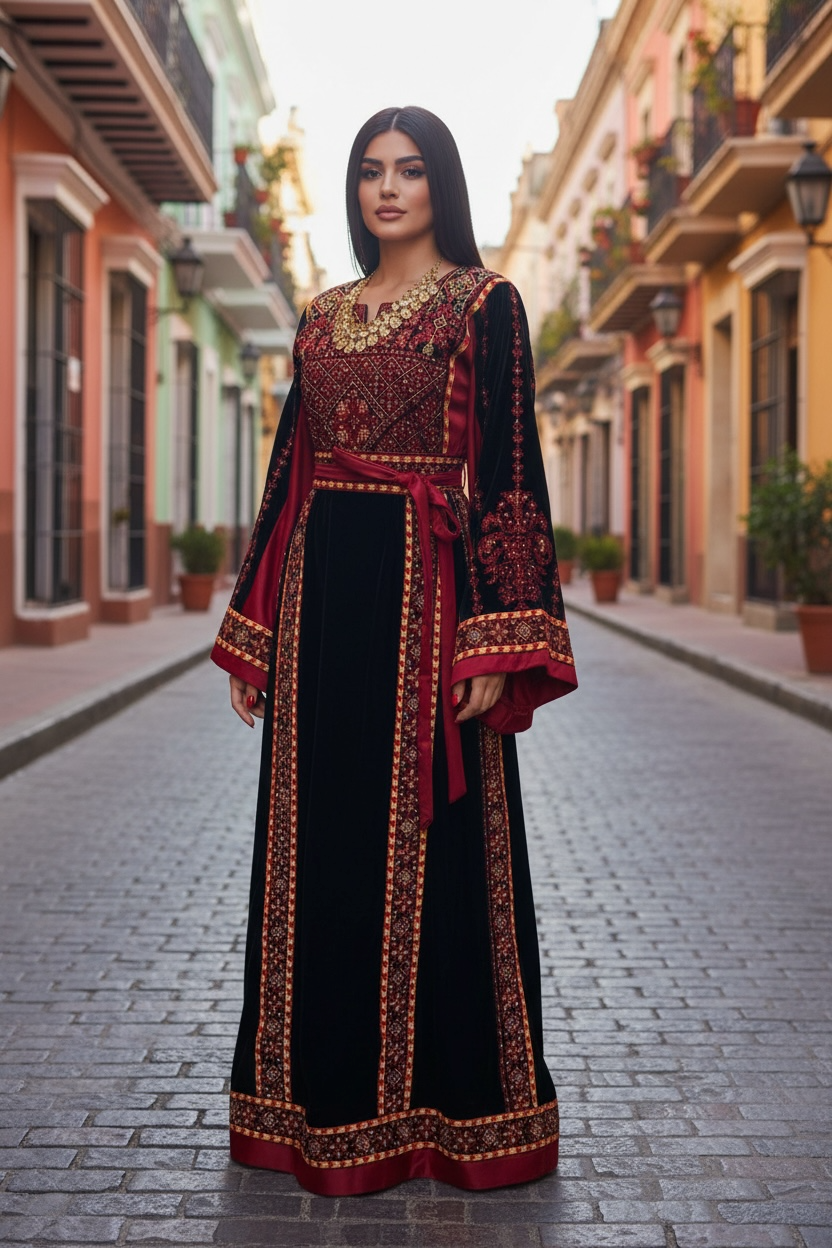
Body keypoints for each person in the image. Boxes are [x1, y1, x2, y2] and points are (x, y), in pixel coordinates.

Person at [211, 105, 578, 1196]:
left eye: (409, 171)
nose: (386, 188)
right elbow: (289, 472)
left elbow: (510, 473)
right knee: (317, 841)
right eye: (371, 170)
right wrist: (255, 632)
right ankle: (309, 1105)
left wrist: (495, 637)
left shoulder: (485, 303)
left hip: (430, 594)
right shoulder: (321, 317)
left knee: (438, 842)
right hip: (323, 600)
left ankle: (450, 1117)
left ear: (439, 186)